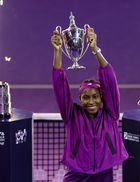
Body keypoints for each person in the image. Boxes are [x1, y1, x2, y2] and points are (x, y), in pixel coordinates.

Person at [51, 27, 128, 182]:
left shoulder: (110, 114)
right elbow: (60, 87)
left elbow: (110, 80)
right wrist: (57, 52)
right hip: (77, 176)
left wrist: (95, 50)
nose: (91, 101)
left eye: (95, 97)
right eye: (86, 97)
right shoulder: (72, 116)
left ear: (102, 97)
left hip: (104, 175)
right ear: (80, 99)